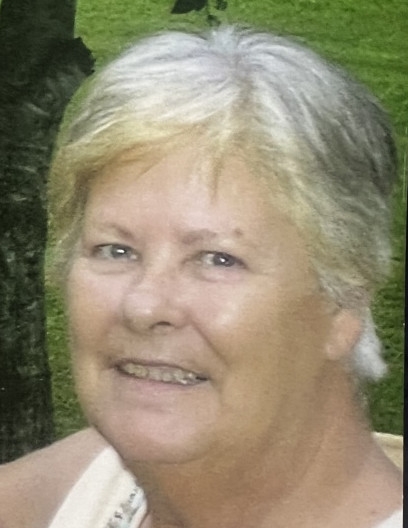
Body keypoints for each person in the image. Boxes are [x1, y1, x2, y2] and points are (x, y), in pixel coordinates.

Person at [0, 24, 402, 528]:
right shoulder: (94, 485)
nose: (144, 306)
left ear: (343, 301)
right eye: (116, 250)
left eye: (217, 259)